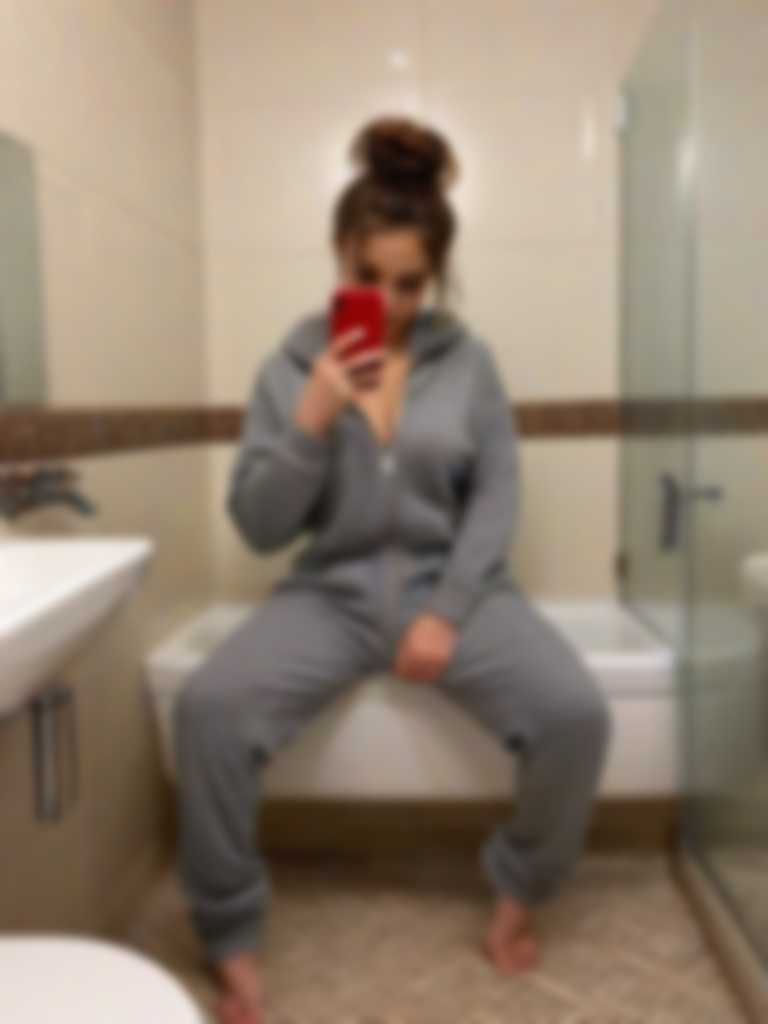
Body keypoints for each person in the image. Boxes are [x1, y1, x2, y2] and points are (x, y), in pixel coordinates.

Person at [173, 115, 612, 1024]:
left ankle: (519, 892)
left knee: (575, 713)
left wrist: (447, 608)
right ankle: (230, 934)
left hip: (451, 592)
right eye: (366, 277)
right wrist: (310, 419)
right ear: (340, 256)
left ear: (436, 275)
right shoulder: (290, 367)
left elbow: (496, 496)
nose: (389, 301)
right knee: (207, 709)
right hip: (329, 596)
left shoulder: (469, 363)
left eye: (410, 284)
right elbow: (257, 527)